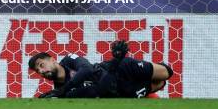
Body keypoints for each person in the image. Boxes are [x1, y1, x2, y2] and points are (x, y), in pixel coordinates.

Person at [29, 40, 174, 98]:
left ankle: (153, 68)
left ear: (52, 59)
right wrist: (64, 91)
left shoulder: (68, 60)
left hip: (121, 68)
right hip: (122, 90)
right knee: (160, 83)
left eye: (41, 65)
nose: (41, 71)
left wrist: (65, 88)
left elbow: (86, 69)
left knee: (167, 73)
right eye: (38, 71)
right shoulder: (62, 91)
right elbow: (97, 91)